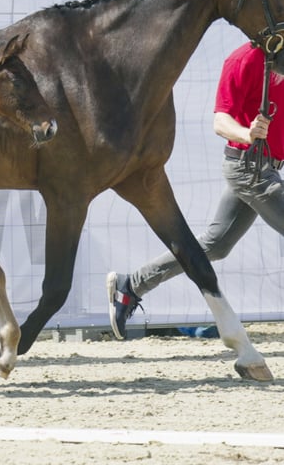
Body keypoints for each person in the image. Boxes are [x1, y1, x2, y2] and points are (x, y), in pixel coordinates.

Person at [107, 41, 284, 339]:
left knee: (214, 246)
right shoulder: (242, 60)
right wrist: (247, 133)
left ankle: (131, 285)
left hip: (267, 167)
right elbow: (220, 121)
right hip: (248, 167)